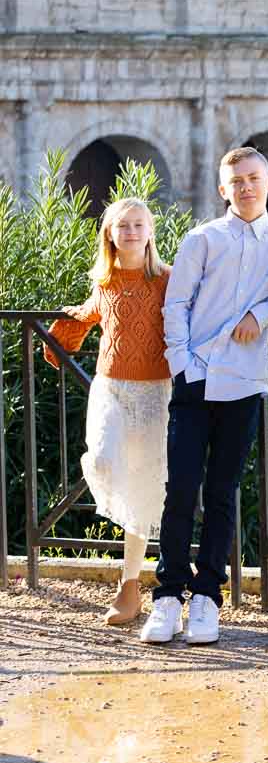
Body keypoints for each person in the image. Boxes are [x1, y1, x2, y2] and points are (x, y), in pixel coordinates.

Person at [140, 146, 268, 645]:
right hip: (195, 379)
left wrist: (264, 313)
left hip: (245, 382)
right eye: (237, 181)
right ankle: (168, 596)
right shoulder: (201, 238)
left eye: (254, 178)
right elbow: (177, 303)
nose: (246, 187)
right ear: (222, 189)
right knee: (181, 490)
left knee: (223, 490)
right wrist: (181, 364)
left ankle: (208, 596)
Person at [44, 197, 171, 626]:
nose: (131, 232)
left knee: (144, 484)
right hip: (110, 388)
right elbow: (91, 312)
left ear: (150, 232)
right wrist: (65, 330)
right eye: (123, 226)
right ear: (110, 235)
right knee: (101, 459)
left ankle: (130, 584)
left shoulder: (168, 279)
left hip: (156, 393)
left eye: (139, 225)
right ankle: (133, 581)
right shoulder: (106, 280)